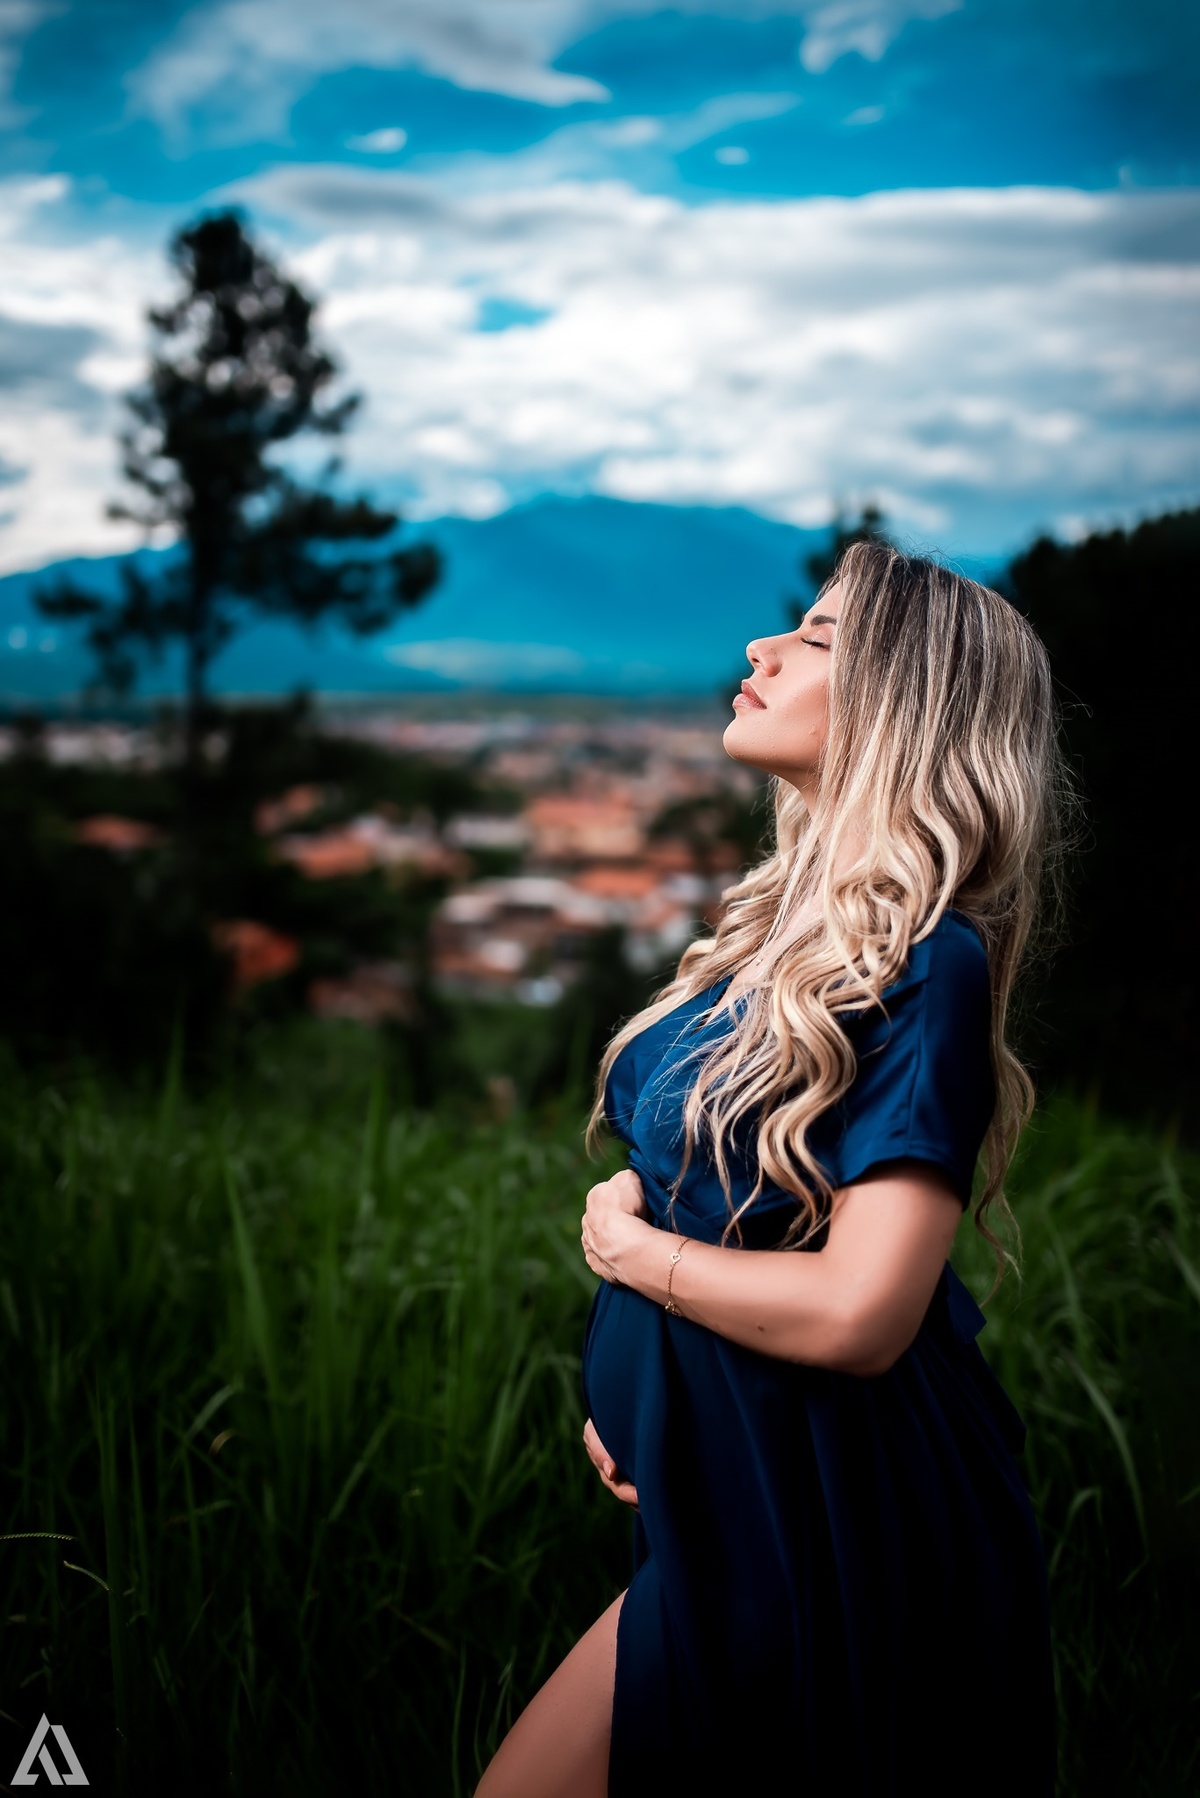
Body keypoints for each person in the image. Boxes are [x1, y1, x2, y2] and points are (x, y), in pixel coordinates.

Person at [475, 540, 1062, 1798]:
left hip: (833, 1513)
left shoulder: (928, 963)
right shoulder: (781, 934)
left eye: (815, 635)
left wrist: (630, 1257)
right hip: (720, 1492)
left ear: (905, 707)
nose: (762, 647)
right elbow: (741, 1213)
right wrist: (655, 1406)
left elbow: (861, 1311)